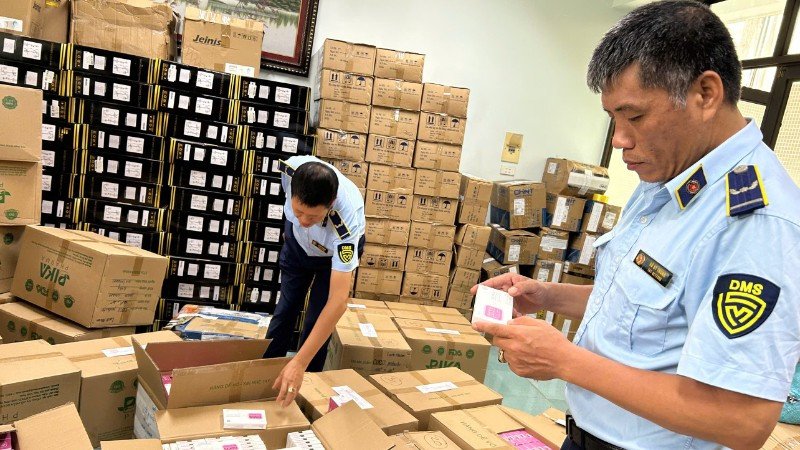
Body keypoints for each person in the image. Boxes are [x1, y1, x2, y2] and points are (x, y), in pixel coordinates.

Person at [472, 2, 800, 449]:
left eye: (635, 117)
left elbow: (741, 419)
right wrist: (546, 295)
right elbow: (639, 305)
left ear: (705, 94)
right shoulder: (667, 179)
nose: (620, 140)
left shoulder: (755, 221)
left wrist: (566, 361)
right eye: (613, 119)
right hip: (586, 434)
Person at [265, 155, 365, 407]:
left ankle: (305, 388)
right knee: (286, 308)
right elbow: (298, 216)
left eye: (312, 216)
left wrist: (299, 362)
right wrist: (296, 225)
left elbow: (338, 301)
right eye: (298, 211)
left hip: (330, 257)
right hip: (298, 246)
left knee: (317, 319)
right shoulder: (289, 170)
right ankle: (266, 378)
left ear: (329, 205)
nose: (303, 220)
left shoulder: (346, 226)